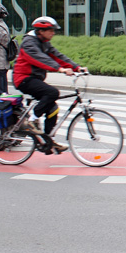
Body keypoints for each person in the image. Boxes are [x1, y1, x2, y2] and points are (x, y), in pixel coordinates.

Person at [13, 16, 86, 153]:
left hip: (35, 79)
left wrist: (77, 68)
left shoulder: (44, 42)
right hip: (23, 79)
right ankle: (31, 121)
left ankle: (48, 142)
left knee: (53, 108)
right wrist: (60, 69)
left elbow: (57, 56)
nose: (53, 33)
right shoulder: (29, 43)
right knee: (52, 92)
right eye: (51, 30)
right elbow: (40, 58)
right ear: (41, 31)